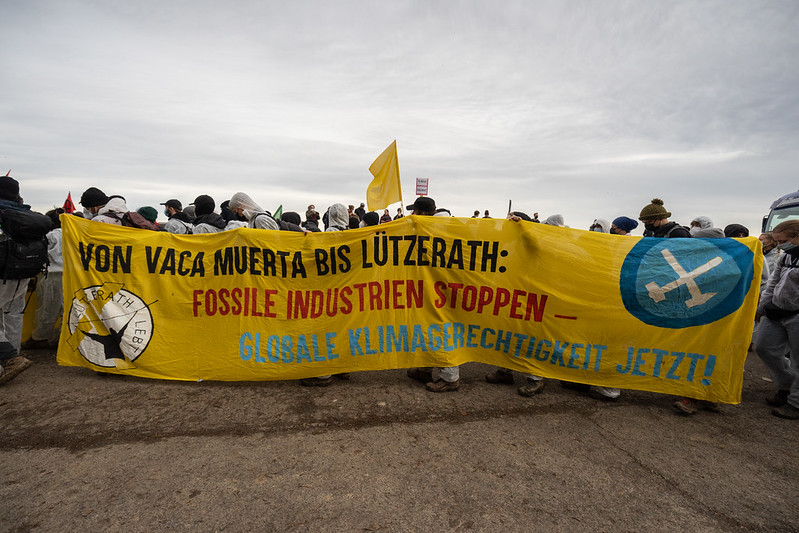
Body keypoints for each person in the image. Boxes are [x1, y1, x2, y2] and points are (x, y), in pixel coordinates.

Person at [484, 211, 546, 397]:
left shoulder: (534, 242)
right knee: (506, 336)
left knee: (529, 340)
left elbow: (536, 248)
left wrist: (524, 227)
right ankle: (505, 372)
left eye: (511, 222)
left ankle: (536, 379)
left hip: (529, 298)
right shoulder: (510, 243)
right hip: (509, 296)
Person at [404, 197, 461, 393]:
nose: (413, 215)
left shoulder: (440, 229)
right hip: (429, 288)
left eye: (415, 211)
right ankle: (425, 368)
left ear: (425, 213)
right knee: (427, 327)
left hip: (441, 290)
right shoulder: (434, 227)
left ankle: (450, 377)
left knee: (442, 330)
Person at [300, 203, 351, 387]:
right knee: (342, 329)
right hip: (346, 291)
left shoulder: (328, 234)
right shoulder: (351, 234)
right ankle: (342, 367)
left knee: (323, 332)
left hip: (327, 290)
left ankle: (322, 373)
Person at [754, 220, 799, 419]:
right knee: (764, 347)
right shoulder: (788, 256)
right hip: (776, 311)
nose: (780, 245)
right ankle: (787, 384)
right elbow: (773, 282)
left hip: (796, 314)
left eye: (784, 241)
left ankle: (795, 402)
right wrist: (762, 307)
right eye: (778, 241)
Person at [0, 176, 35, 385]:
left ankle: (9, 358)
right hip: (22, 273)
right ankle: (14, 355)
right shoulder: (25, 214)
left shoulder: (3, 214)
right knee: (13, 315)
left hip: (2, 273)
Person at [21, 208, 64, 350]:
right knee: (67, 309)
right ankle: (62, 338)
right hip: (70, 275)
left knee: (46, 309)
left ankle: (40, 337)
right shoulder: (71, 234)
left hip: (50, 274)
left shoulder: (49, 236)